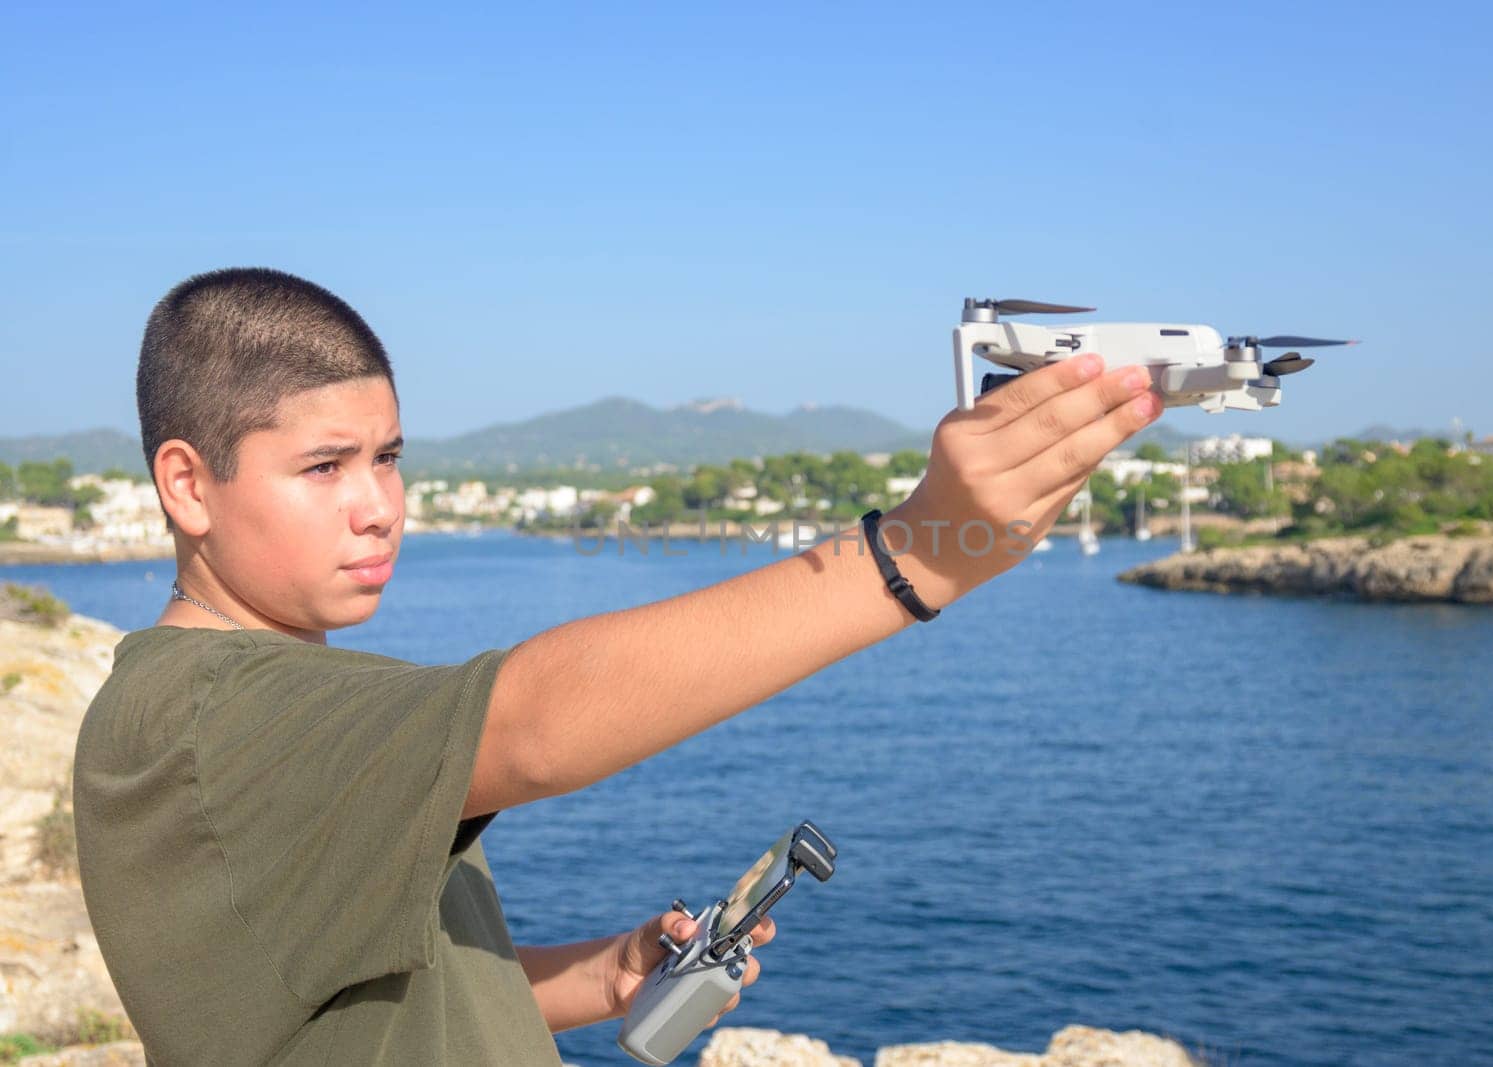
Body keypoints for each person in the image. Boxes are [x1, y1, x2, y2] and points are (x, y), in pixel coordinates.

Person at [73, 267, 1162, 1065]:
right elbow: (534, 721)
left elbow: (391, 993)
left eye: (389, 456)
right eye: (324, 465)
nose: (379, 505)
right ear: (187, 483)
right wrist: (917, 550)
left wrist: (607, 974)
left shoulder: (270, 711)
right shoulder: (204, 714)